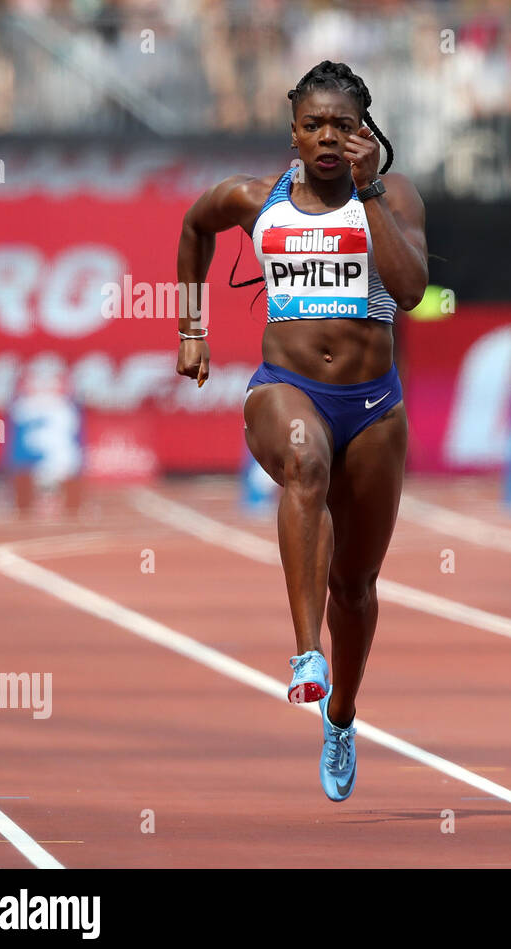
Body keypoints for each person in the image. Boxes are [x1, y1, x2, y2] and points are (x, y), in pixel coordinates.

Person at [175, 60, 428, 802]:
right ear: (293, 133)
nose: (328, 138)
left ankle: (342, 714)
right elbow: (195, 225)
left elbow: (411, 290)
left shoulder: (394, 196)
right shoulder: (257, 201)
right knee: (303, 461)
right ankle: (303, 656)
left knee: (356, 585)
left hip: (374, 404)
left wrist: (373, 187)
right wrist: (191, 328)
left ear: (364, 133)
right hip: (285, 388)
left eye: (343, 126)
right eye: (313, 124)